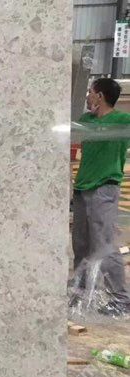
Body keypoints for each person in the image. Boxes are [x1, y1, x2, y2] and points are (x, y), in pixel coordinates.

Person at [72, 77, 130, 317]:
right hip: (82, 187)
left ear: (100, 96)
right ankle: (82, 292)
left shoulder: (122, 121)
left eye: (90, 92)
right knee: (81, 245)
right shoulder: (86, 120)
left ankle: (120, 298)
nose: (87, 96)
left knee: (104, 245)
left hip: (105, 187)